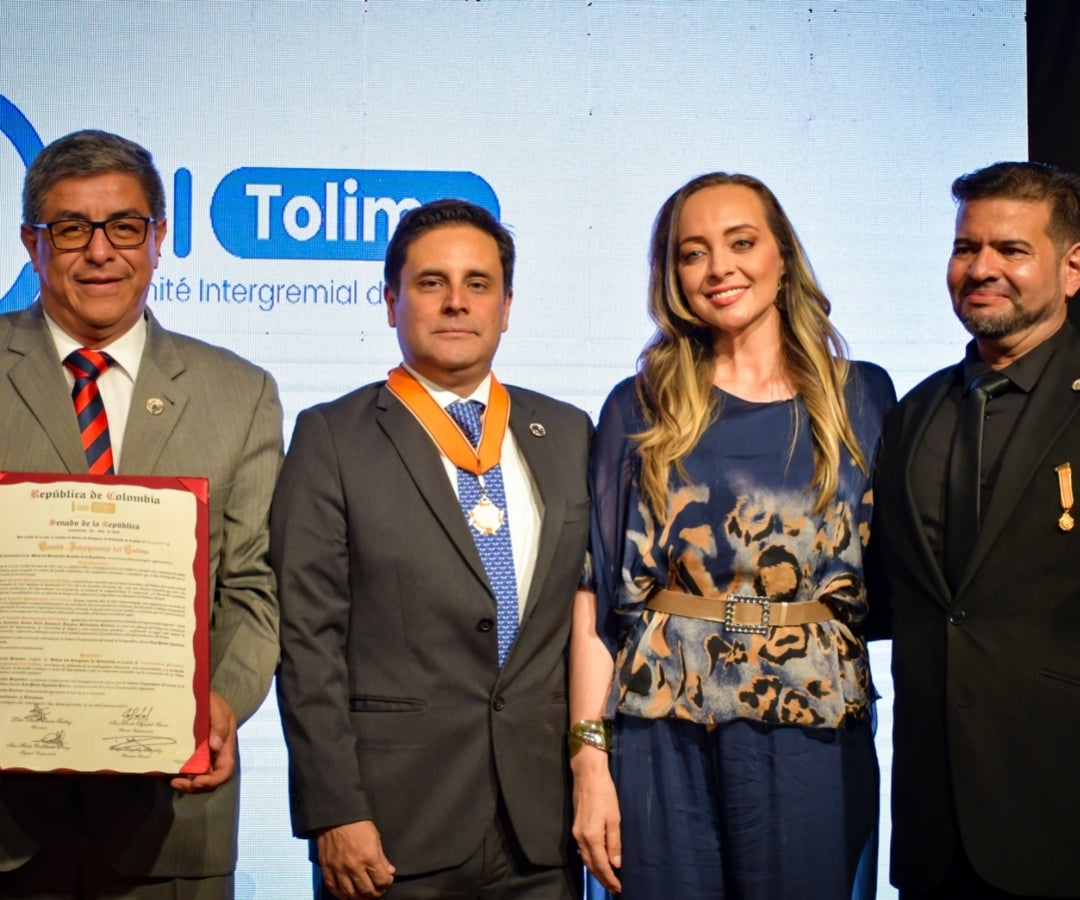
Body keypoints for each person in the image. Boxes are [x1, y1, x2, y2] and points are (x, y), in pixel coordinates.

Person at [569, 172, 895, 899]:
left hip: (811, 720)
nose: (719, 268)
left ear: (783, 257)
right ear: (672, 275)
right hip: (660, 723)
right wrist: (588, 758)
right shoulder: (640, 404)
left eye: (741, 243)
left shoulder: (862, 397)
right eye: (693, 252)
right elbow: (597, 597)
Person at [272, 198, 591, 900]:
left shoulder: (569, 433)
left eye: (478, 284)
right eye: (430, 283)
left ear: (507, 307)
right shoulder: (332, 437)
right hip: (391, 826)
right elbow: (306, 641)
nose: (456, 303)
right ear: (391, 302)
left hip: (543, 828)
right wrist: (334, 808)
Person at [0, 130, 282, 896]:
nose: (101, 252)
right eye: (71, 229)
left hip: (171, 825)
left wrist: (221, 702)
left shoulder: (240, 394)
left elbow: (255, 585)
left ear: (158, 239)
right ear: (31, 243)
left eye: (124, 227)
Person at [868, 161, 1080, 899]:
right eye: (966, 248)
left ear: (1072, 267)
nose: (982, 268)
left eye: (1011, 250)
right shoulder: (914, 413)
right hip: (935, 828)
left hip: (1062, 819)